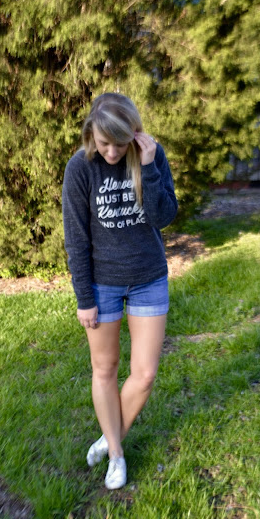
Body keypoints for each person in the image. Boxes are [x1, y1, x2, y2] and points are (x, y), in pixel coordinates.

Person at [62, 93, 178, 490]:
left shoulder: (150, 156)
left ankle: (110, 436)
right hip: (102, 283)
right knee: (105, 369)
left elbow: (164, 216)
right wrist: (84, 299)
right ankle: (116, 453)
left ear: (135, 134)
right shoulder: (80, 167)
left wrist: (148, 167)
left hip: (149, 277)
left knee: (144, 375)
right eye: (104, 143)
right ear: (91, 134)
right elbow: (76, 239)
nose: (112, 152)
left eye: (120, 143)